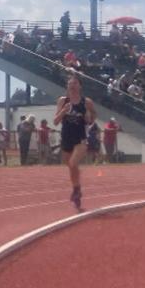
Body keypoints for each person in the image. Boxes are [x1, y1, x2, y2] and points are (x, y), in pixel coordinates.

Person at [53, 74, 95, 210]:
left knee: (73, 163)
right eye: (70, 83)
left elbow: (92, 117)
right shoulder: (62, 101)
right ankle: (77, 188)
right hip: (66, 138)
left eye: (75, 83)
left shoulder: (86, 102)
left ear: (80, 86)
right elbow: (55, 121)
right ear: (67, 86)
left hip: (80, 138)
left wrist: (89, 118)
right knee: (70, 166)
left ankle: (76, 190)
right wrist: (63, 112)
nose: (72, 85)